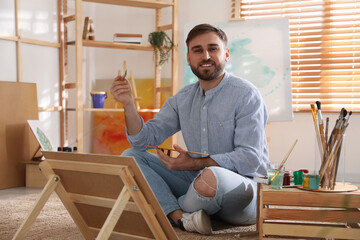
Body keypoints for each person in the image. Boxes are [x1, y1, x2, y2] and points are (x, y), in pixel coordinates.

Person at [110, 23, 271, 235]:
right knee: (130, 157)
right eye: (198, 50)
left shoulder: (246, 95)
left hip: (243, 190)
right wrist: (128, 104)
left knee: (211, 176)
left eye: (213, 48)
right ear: (189, 58)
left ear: (226, 54)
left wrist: (194, 163)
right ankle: (179, 217)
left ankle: (162, 205)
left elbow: (250, 159)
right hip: (197, 181)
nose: (205, 55)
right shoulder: (182, 99)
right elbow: (142, 141)